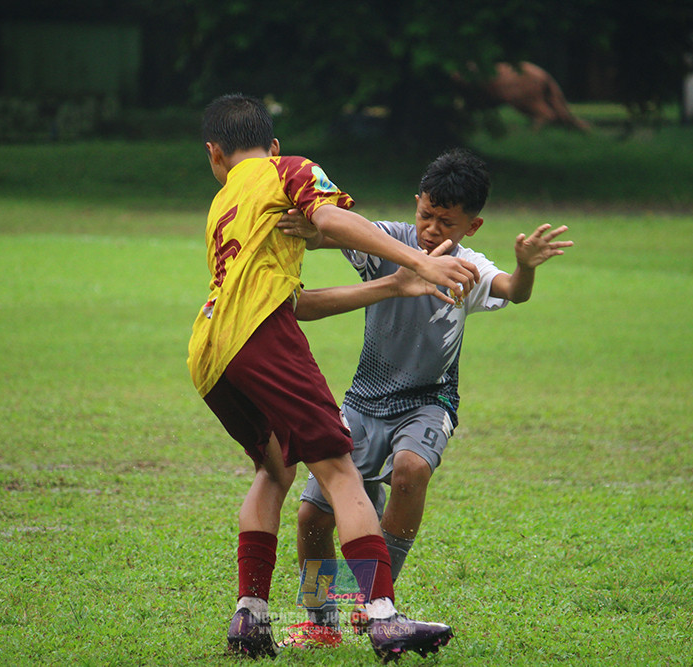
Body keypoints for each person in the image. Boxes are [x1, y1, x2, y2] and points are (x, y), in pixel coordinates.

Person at [187, 94, 478, 660]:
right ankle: (382, 616)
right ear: (272, 146)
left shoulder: (224, 205)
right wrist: (417, 263)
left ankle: (251, 616)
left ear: (214, 154)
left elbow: (294, 299)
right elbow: (330, 218)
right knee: (341, 477)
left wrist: (394, 284)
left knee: (275, 471)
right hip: (264, 341)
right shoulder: (286, 169)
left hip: (210, 350)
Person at [275, 148, 572, 647]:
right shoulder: (389, 242)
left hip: (428, 401)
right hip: (363, 401)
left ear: (472, 226)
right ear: (417, 204)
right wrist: (313, 233)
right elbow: (334, 231)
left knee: (412, 470)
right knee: (310, 517)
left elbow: (513, 290)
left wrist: (525, 268)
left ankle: (375, 601)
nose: (432, 229)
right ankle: (320, 619)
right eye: (426, 215)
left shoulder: (467, 268)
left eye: (446, 222)